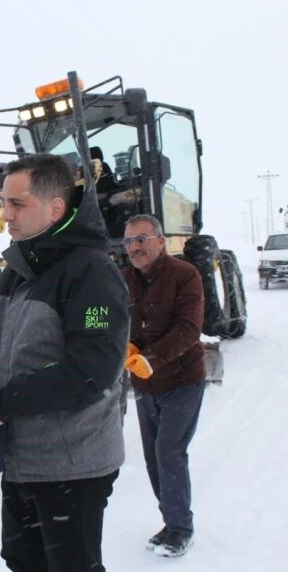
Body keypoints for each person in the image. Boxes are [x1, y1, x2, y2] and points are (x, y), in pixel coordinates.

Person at [0, 153, 130, 572]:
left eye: (17, 204)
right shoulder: (20, 266)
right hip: (24, 455)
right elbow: (13, 338)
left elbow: (91, 370)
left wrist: (4, 404)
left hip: (74, 463)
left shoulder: (91, 274)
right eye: (4, 202)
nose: (4, 214)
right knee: (22, 560)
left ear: (55, 208)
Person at [122, 213, 205, 558]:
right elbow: (103, 316)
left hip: (183, 379)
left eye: (141, 239)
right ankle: (170, 522)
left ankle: (181, 529)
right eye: (128, 242)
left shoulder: (185, 275)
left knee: (169, 452)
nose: (135, 247)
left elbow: (188, 329)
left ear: (160, 241)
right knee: (153, 460)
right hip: (144, 386)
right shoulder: (123, 278)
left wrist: (151, 359)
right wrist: (118, 342)